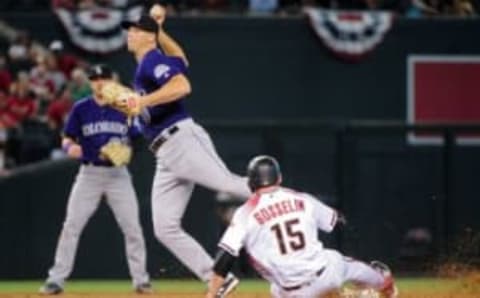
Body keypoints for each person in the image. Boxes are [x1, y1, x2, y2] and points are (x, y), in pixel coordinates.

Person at [120, 7, 250, 295]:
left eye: (136, 30)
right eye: (129, 29)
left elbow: (182, 85)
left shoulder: (150, 61)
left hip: (181, 140)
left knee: (229, 184)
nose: (129, 33)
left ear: (148, 38)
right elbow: (181, 60)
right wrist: (161, 30)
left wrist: (142, 103)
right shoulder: (154, 61)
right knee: (164, 227)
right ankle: (218, 279)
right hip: (165, 155)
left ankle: (293, 204)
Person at [206, 155, 399, 298]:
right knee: (341, 262)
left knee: (276, 289)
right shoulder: (301, 198)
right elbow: (337, 221)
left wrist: (211, 294)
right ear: (279, 179)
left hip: (292, 292)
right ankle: (384, 283)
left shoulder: (244, 213)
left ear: (250, 183)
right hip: (326, 274)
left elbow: (225, 258)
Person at [39, 64, 152, 295]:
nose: (99, 82)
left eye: (103, 78)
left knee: (132, 228)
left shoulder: (123, 107)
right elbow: (67, 137)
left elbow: (139, 141)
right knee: (71, 226)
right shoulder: (81, 108)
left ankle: (141, 281)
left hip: (117, 175)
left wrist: (125, 150)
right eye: (95, 78)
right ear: (90, 82)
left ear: (111, 81)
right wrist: (70, 146)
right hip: (89, 174)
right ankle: (56, 280)